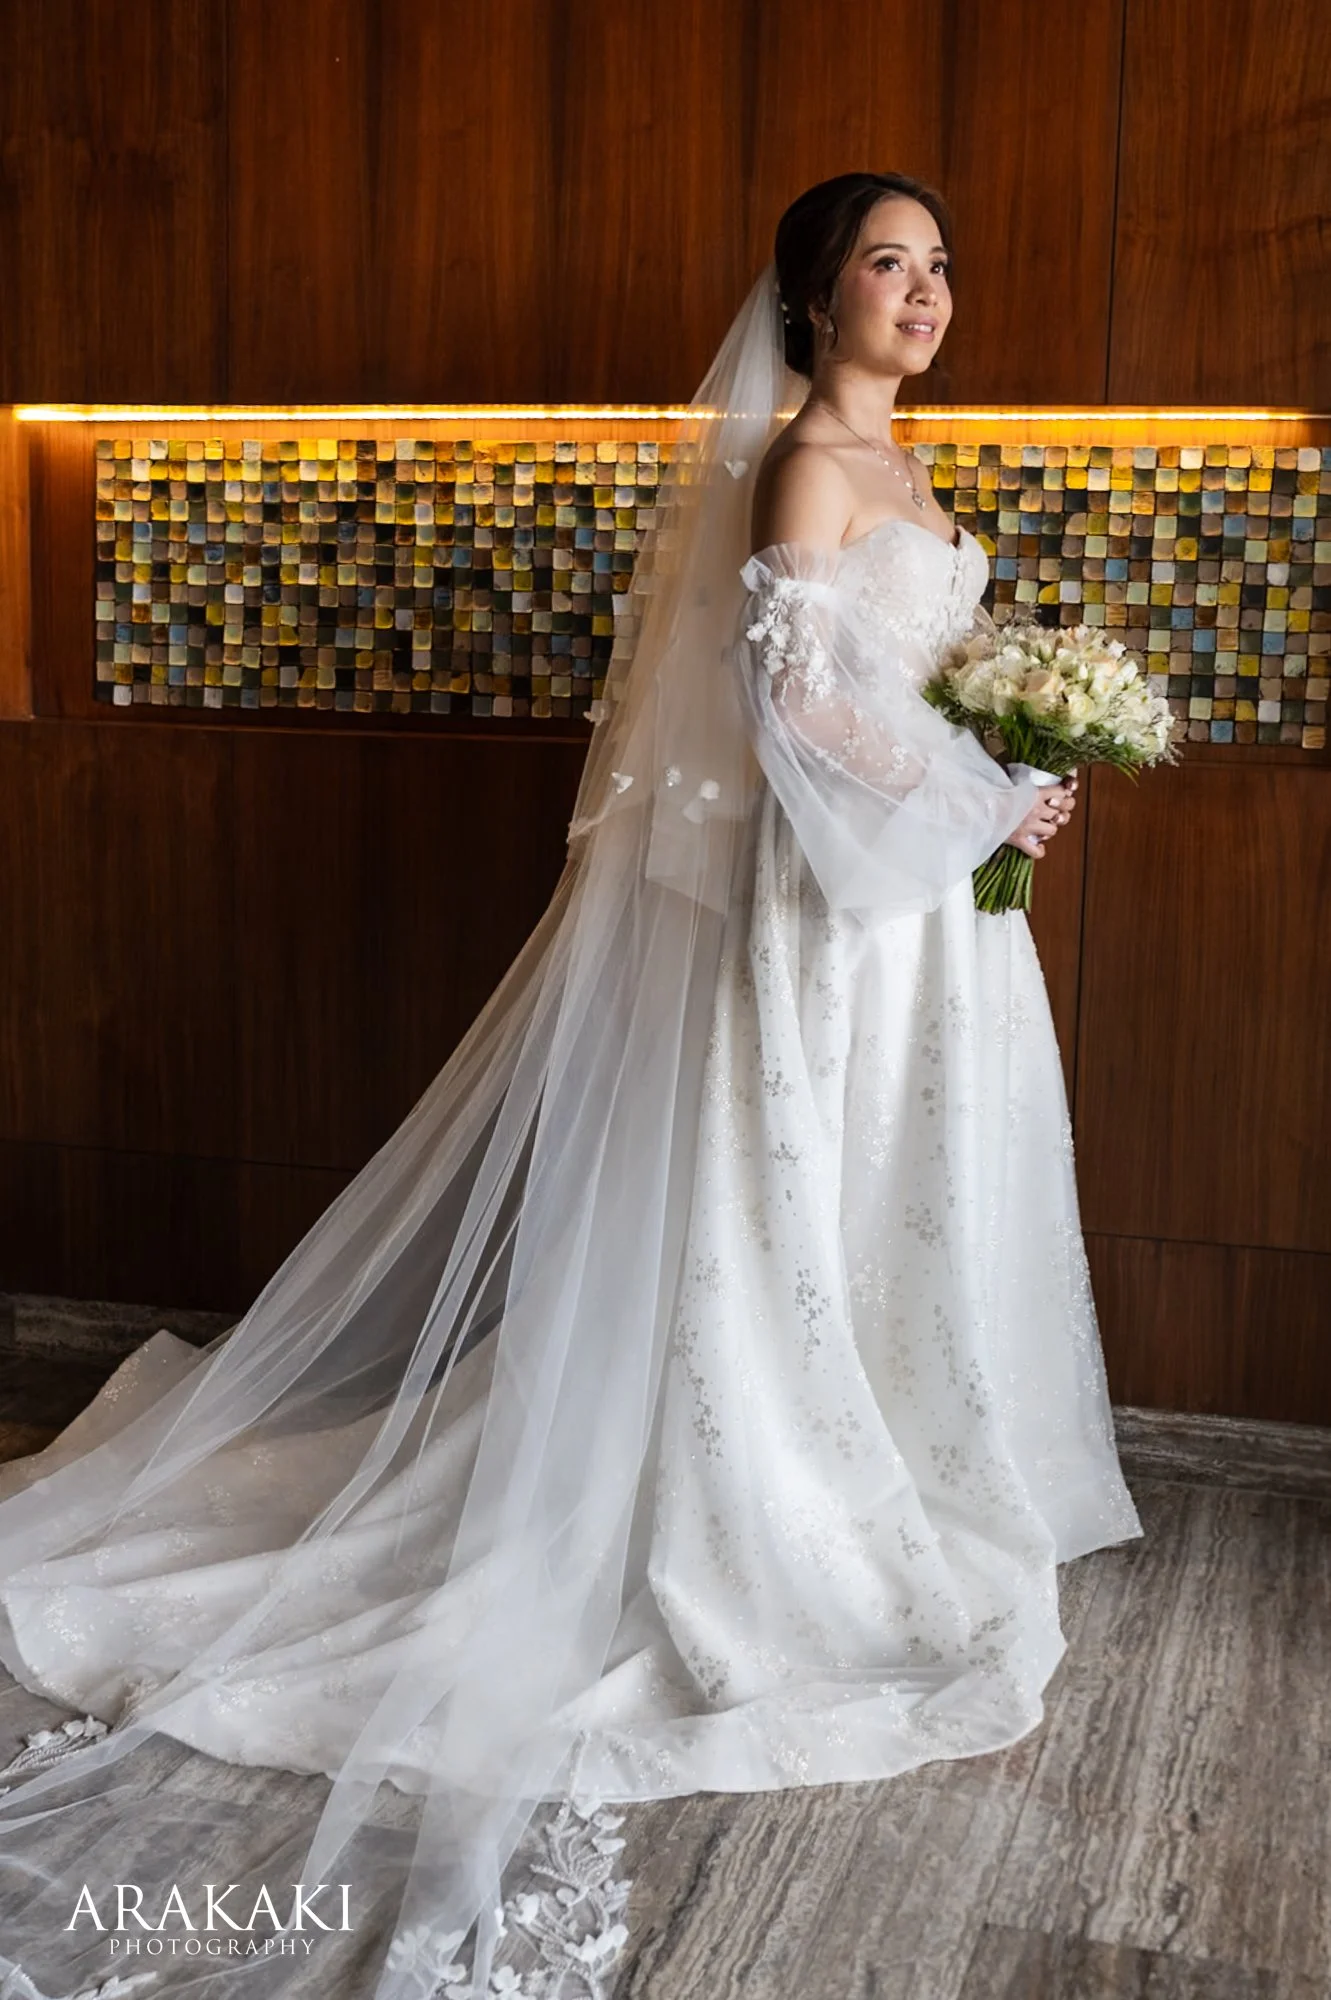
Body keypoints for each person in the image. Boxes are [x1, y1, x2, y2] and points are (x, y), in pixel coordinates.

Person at [0, 172, 1141, 2000]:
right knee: (793, 1186)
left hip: (923, 909)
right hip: (834, 905)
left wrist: (1013, 770)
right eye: (885, 263)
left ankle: (901, 1454)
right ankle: (763, 1489)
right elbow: (799, 719)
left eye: (939, 264)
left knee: (897, 1189)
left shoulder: (916, 470)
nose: (923, 293)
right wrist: (981, 795)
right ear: (814, 291)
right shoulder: (804, 468)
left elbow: (908, 701)